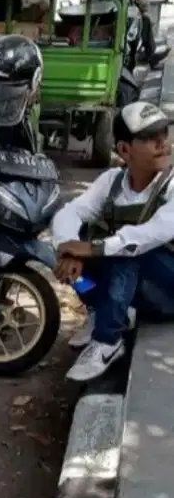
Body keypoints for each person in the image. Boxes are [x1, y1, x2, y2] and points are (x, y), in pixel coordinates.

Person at [53, 101, 174, 382]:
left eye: (163, 134)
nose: (162, 143)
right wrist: (69, 249)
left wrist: (94, 248)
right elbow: (70, 212)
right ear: (124, 150)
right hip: (138, 288)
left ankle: (108, 340)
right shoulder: (111, 181)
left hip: (168, 289)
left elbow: (148, 235)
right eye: (150, 138)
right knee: (71, 249)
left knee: (125, 250)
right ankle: (103, 308)